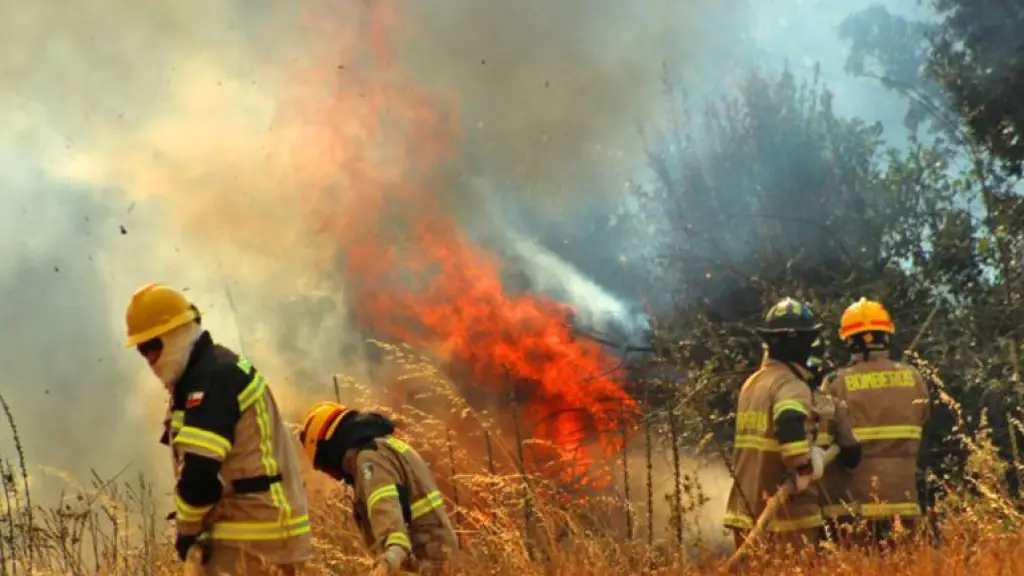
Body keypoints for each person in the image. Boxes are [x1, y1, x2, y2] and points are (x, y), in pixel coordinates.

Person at [124, 283, 313, 574]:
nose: (149, 360)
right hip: (257, 535)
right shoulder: (211, 372)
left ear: (177, 333)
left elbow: (200, 476)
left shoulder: (212, 379)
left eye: (153, 346)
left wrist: (186, 530)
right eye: (141, 350)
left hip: (251, 539)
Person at [723, 297, 859, 555]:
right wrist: (805, 464)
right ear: (803, 343)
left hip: (744, 509)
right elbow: (788, 423)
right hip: (786, 516)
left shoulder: (753, 383)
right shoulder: (791, 385)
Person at [819, 298, 930, 548]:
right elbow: (922, 418)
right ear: (887, 336)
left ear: (848, 341)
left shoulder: (835, 382)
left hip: (853, 509)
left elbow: (822, 442)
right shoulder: (913, 377)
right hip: (904, 503)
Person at [300, 401, 458, 575]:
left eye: (324, 466)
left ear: (329, 449)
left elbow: (395, 537)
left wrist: (384, 566)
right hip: (440, 557)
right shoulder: (387, 445)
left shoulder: (369, 461)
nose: (331, 474)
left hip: (425, 565)